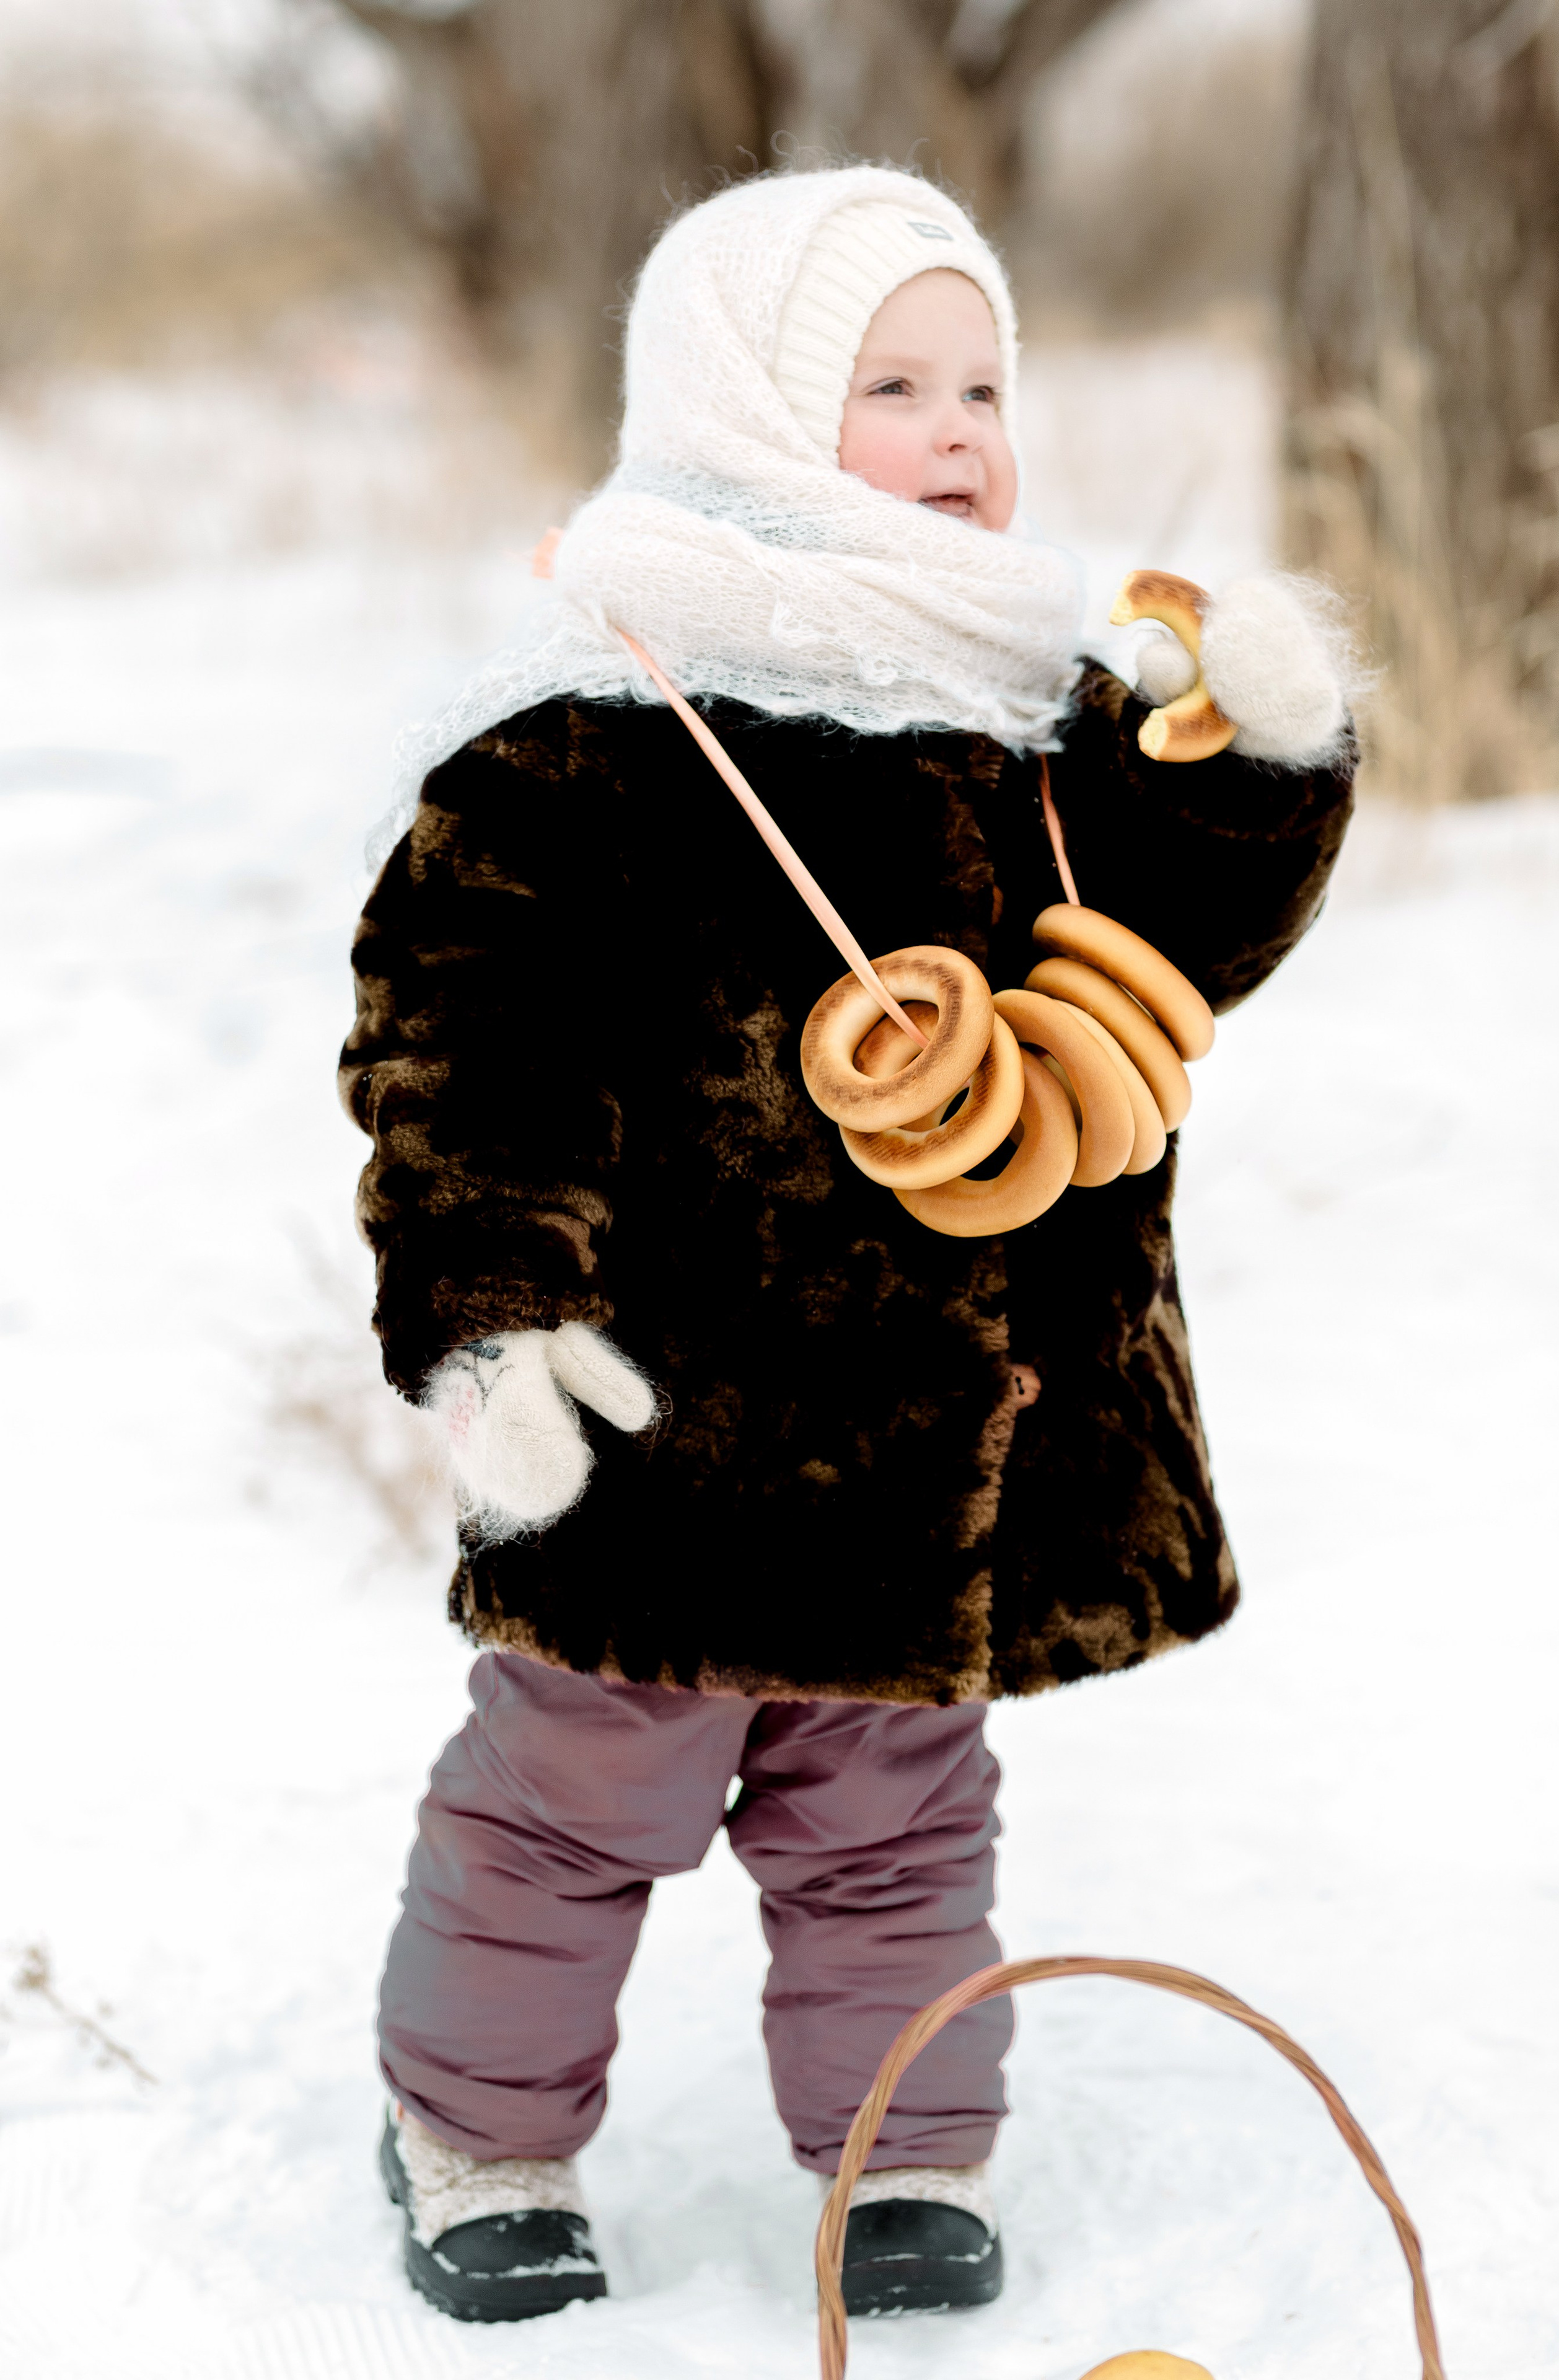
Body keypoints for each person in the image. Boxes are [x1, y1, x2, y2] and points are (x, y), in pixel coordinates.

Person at [339, 164, 1356, 2327]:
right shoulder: (593, 733)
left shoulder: (1030, 708)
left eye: (984, 383)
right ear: (747, 407)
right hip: (667, 1422)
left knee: (895, 1811)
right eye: (894, 386)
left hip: (942, 1444)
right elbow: (470, 1034)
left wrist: (1258, 765)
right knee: (571, 1796)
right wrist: (496, 1312)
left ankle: (908, 2146)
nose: (961, 430)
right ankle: (477, 2129)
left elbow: (1172, 950)